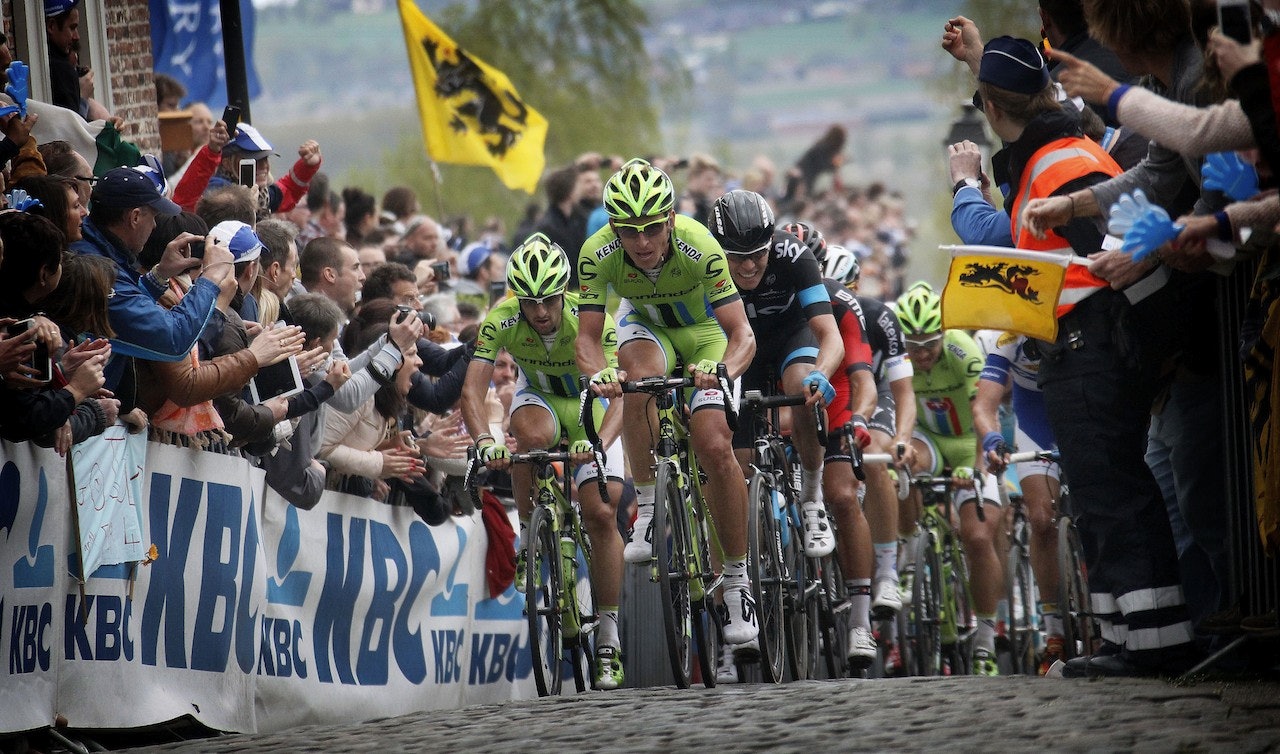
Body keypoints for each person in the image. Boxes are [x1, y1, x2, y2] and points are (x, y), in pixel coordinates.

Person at [989, 34, 1198, 676]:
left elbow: (1112, 249)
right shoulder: (1053, 147)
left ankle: (1155, 643)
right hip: (1080, 346)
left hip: (1092, 346)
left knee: (1114, 491)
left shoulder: (1059, 161)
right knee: (1099, 493)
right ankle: (1122, 637)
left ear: (993, 110)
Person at [576, 158, 759, 648]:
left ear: (671, 220)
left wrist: (722, 372)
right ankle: (651, 509)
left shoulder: (700, 245)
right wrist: (601, 377)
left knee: (714, 445)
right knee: (637, 381)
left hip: (705, 335)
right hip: (647, 329)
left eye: (652, 228)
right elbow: (589, 340)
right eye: (629, 230)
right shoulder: (596, 253)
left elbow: (742, 334)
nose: (642, 242)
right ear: (613, 227)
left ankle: (738, 583)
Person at [462, 233, 627, 689]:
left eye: (549, 300)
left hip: (590, 404)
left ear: (563, 292)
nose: (539, 312)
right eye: (530, 302)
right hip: (542, 402)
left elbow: (618, 399)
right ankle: (533, 540)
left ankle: (609, 639)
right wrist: (482, 440)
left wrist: (598, 444)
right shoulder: (501, 319)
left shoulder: (591, 317)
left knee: (600, 510)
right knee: (527, 438)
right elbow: (472, 390)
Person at [708, 190, 844, 559]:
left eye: (758, 255)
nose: (749, 266)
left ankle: (812, 496)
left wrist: (823, 373)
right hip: (738, 347)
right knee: (739, 462)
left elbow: (830, 335)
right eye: (737, 257)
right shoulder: (705, 263)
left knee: (802, 384)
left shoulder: (793, 255)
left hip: (790, 335)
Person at [895, 281, 1003, 676]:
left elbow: (983, 414)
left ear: (943, 336)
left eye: (930, 345)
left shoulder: (962, 349)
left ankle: (987, 638)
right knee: (902, 464)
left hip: (969, 441)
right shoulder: (902, 357)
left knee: (976, 537)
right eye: (914, 346)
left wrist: (976, 467)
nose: (922, 355)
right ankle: (910, 553)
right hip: (932, 442)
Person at [70, 164, 237, 391]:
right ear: (135, 217)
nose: (156, 225)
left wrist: (160, 275)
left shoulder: (97, 249)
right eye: (154, 216)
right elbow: (173, 340)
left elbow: (123, 309)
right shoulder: (97, 269)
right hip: (83, 412)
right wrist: (210, 278)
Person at [971, 329, 1065, 674]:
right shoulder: (1006, 334)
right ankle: (1054, 631)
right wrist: (993, 439)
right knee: (1041, 519)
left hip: (1077, 404)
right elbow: (983, 406)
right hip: (1035, 418)